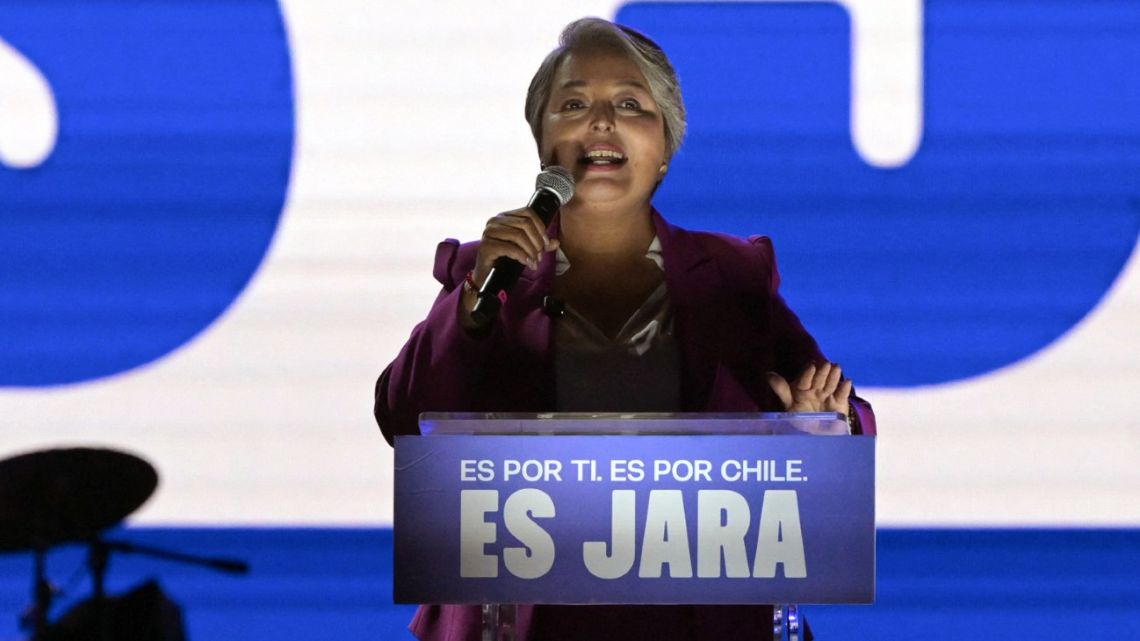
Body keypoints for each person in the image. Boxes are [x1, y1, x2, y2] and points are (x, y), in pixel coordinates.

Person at [374, 16, 875, 641]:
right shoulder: (485, 273)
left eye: (630, 104)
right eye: (575, 103)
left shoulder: (732, 276)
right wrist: (475, 300)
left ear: (665, 145)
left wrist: (823, 421)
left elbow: (845, 417)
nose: (601, 121)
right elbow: (406, 420)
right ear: (543, 141)